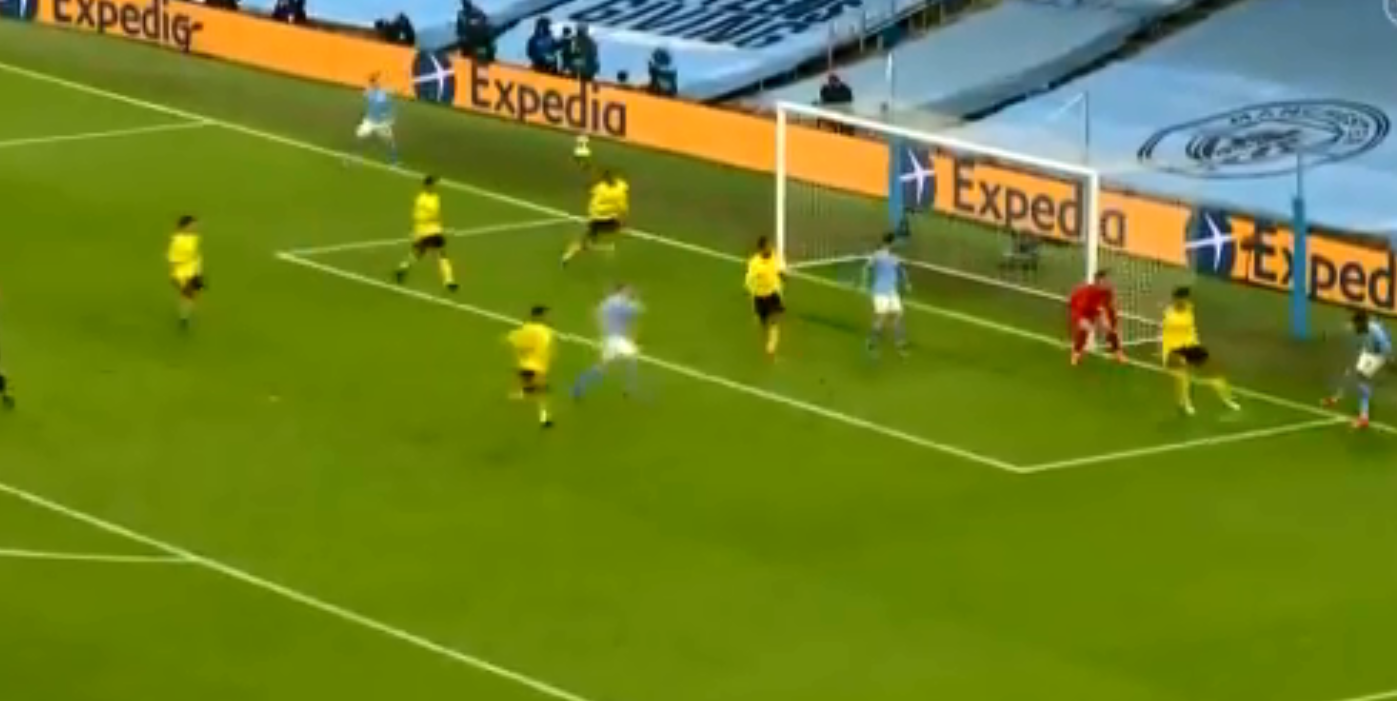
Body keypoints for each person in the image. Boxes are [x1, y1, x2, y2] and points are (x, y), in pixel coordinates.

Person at [1161, 286, 1239, 416]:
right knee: (1183, 377)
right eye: (1182, 298)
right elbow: (1171, 336)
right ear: (1176, 299)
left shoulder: (1189, 308)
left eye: (1186, 298)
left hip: (1192, 346)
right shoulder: (1170, 316)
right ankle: (1186, 403)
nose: (1184, 301)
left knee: (1214, 373)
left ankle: (1228, 399)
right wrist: (1181, 358)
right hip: (1174, 349)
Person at [572, 284, 642, 399]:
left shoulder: (606, 303)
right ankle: (628, 390)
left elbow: (596, 313)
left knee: (602, 367)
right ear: (620, 291)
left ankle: (579, 386)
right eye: (627, 291)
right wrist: (635, 300)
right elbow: (634, 312)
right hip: (619, 340)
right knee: (634, 357)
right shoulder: (623, 303)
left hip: (608, 340)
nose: (630, 292)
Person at [1323, 310, 1392, 429]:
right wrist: (1328, 335)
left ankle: (1364, 418)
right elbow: (1346, 328)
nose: (1355, 327)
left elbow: (1386, 348)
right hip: (1368, 352)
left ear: (1363, 322)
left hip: (1379, 356)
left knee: (1362, 380)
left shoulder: (1376, 332)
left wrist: (1389, 361)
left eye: (1356, 324)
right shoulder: (1361, 326)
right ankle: (1336, 398)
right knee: (1349, 371)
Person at [394, 175, 458, 292]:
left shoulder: (436, 197)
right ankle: (449, 281)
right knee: (427, 253)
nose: (435, 186)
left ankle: (449, 281)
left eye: (435, 184)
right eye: (433, 184)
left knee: (428, 253)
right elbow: (418, 216)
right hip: (424, 230)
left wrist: (441, 227)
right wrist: (417, 232)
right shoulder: (421, 199)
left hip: (434, 230)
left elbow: (437, 215)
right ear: (427, 185)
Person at [561, 169, 628, 266]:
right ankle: (604, 246)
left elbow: (588, 188)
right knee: (617, 222)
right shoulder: (621, 186)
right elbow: (623, 207)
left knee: (584, 239)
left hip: (596, 220)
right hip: (613, 222)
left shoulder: (600, 188)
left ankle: (570, 254)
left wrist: (594, 180)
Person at [507, 305, 556, 428]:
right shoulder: (545, 331)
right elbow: (546, 347)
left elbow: (514, 341)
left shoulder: (526, 328)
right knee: (542, 394)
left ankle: (521, 393)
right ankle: (544, 419)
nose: (548, 317)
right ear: (539, 316)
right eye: (546, 315)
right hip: (536, 366)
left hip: (525, 364)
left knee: (531, 387)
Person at [862, 233, 910, 355]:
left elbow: (866, 268)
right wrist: (906, 283)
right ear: (892, 243)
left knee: (898, 315)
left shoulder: (882, 256)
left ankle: (900, 344)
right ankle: (871, 342)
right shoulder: (885, 256)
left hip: (890, 291)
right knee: (882, 318)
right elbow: (902, 271)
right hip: (881, 292)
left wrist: (864, 283)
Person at [1068, 270, 1123, 365]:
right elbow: (1078, 309)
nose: (1109, 282)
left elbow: (1105, 306)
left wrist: (1108, 319)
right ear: (1098, 281)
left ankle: (1117, 352)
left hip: (1096, 308)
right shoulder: (1088, 293)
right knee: (1084, 329)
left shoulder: (1108, 292)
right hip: (1082, 309)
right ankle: (1076, 354)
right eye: (1105, 280)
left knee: (1111, 327)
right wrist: (1081, 320)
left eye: (1108, 280)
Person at [746, 237, 784, 358]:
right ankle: (761, 322)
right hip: (760, 297)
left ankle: (771, 348)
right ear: (760, 249)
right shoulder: (754, 263)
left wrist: (782, 276)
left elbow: (777, 269)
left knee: (775, 320)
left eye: (770, 246)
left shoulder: (774, 256)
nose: (769, 248)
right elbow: (749, 281)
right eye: (767, 247)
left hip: (772, 294)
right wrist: (752, 294)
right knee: (764, 323)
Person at [166, 214, 204, 329]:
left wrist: (199, 269)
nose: (195, 227)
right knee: (188, 295)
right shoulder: (177, 241)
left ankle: (184, 317)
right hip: (182, 273)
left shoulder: (194, 238)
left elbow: (195, 254)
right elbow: (172, 259)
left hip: (194, 270)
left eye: (195, 225)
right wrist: (174, 275)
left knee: (191, 296)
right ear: (184, 226)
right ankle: (184, 319)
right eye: (192, 225)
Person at [355, 73, 398, 164]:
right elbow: (367, 95)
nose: (377, 83)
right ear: (372, 83)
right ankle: (357, 153)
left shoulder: (384, 91)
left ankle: (394, 160)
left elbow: (391, 94)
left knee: (390, 140)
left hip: (382, 122)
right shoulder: (369, 92)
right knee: (360, 135)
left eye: (377, 81)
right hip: (370, 120)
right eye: (375, 82)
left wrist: (390, 93)